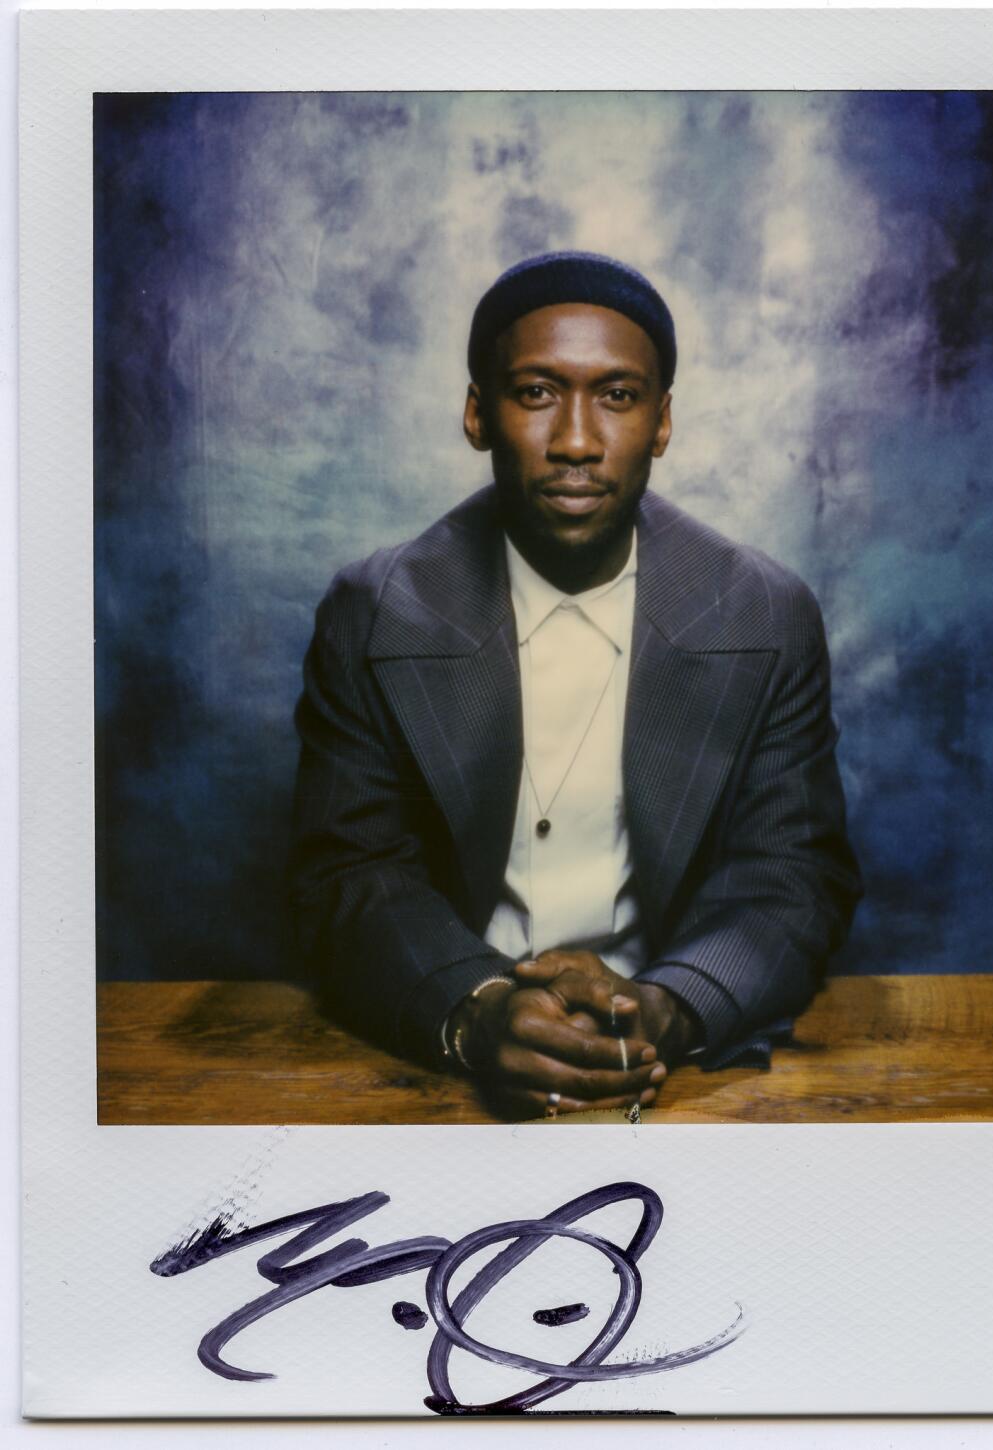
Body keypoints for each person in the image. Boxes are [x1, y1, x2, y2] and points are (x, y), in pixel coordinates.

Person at [287, 251, 862, 1121]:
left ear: (662, 422)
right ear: (479, 414)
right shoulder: (372, 611)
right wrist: (475, 1011)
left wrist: (671, 1005)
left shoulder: (764, 612)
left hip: (678, 1076)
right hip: (440, 1068)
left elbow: (792, 876)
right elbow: (349, 874)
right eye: (537, 392)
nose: (578, 442)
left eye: (619, 397)